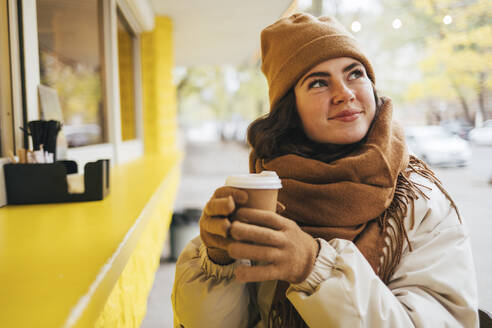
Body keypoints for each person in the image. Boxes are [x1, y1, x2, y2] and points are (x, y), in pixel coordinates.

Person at [172, 13, 479, 328]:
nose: (344, 92)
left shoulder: (421, 201)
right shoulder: (262, 197)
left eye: (355, 73)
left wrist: (313, 268)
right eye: (318, 82)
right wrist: (217, 259)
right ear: (291, 109)